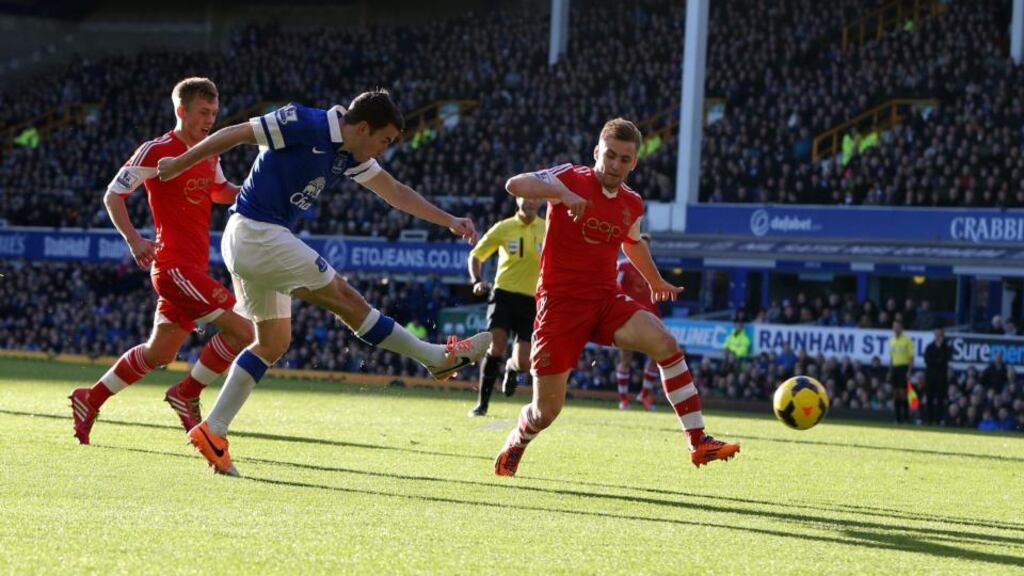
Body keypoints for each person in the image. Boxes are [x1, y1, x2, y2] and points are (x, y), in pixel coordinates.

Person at [156, 90, 492, 476]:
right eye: (383, 141)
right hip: (256, 232)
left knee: (272, 341)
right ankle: (435, 358)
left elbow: (394, 192)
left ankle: (213, 431)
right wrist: (181, 161)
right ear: (363, 127)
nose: (383, 151)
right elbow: (235, 133)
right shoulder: (304, 122)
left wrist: (448, 219)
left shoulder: (350, 153)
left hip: (256, 239)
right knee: (345, 297)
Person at [492, 118, 740, 476]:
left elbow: (632, 242)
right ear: (597, 153)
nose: (616, 165)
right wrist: (559, 193)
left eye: (625, 159)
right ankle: (518, 439)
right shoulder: (570, 177)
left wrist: (656, 281)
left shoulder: (632, 203)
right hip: (559, 305)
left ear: (634, 162)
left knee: (666, 343)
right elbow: (514, 183)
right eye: (610, 156)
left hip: (606, 300)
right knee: (546, 412)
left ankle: (698, 441)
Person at [68, 78, 254, 445]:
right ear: (181, 111)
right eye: (203, 112)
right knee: (244, 331)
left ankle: (90, 398)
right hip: (173, 268)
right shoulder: (157, 151)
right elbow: (113, 195)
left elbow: (219, 191)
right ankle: (185, 393)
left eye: (214, 113)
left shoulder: (210, 150)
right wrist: (134, 239)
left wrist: (255, 191)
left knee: (160, 352)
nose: (209, 120)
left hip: (193, 269)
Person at [466, 196, 545, 416]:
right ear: (517, 200)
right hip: (504, 295)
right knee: (495, 347)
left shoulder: (548, 228)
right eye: (525, 198)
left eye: (533, 199)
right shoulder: (504, 227)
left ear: (539, 202)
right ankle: (482, 404)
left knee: (524, 362)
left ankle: (511, 367)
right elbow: (476, 255)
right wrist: (476, 281)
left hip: (533, 300)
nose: (530, 202)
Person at [614, 234, 660, 411]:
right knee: (626, 357)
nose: (645, 250)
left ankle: (645, 394)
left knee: (657, 355)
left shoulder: (651, 268)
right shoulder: (623, 266)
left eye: (648, 247)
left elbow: (653, 295)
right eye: (642, 246)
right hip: (627, 318)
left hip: (648, 316)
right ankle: (624, 400)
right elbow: (614, 290)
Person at [923, 327, 951, 425]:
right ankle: (929, 420)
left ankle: (938, 420)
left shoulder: (946, 348)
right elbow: (927, 360)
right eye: (937, 334)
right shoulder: (929, 347)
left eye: (940, 334)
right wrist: (937, 362)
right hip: (930, 377)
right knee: (929, 399)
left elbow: (945, 359)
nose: (938, 336)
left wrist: (941, 348)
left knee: (940, 399)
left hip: (941, 378)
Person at [889, 320, 914, 423]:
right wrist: (890, 370)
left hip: (903, 368)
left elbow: (911, 358)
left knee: (903, 393)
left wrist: (909, 371)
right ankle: (897, 417)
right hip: (895, 368)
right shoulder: (892, 340)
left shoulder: (907, 340)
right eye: (894, 327)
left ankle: (906, 417)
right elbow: (891, 357)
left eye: (897, 327)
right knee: (895, 393)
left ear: (901, 328)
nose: (895, 329)